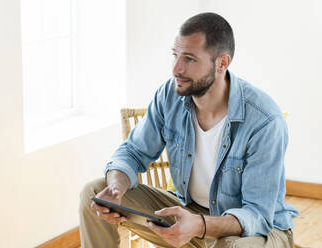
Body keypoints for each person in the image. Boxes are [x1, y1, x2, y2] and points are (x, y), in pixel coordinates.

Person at [79, 12, 299, 248]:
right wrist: (116, 187)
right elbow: (133, 152)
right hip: (190, 215)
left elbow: (257, 214)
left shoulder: (264, 121)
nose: (176, 68)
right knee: (94, 193)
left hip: (260, 231)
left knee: (228, 246)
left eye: (190, 59)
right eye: (175, 55)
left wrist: (200, 225)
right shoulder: (169, 95)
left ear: (222, 63)